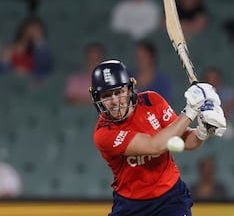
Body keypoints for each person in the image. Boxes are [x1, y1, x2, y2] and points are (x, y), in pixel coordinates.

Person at [88, 60, 226, 216]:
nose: (114, 101)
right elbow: (154, 146)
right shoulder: (103, 133)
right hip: (130, 205)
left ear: (129, 89)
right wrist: (191, 110)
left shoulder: (151, 101)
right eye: (106, 96)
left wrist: (203, 131)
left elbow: (186, 141)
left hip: (170, 198)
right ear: (97, 97)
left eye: (119, 92)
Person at [0, 16, 53, 82]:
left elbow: (44, 73)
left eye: (37, 31)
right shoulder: (9, 51)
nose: (33, 33)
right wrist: (11, 69)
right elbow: (3, 74)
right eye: (30, 29)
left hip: (31, 85)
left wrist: (39, 43)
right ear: (23, 31)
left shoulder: (41, 53)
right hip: (11, 83)